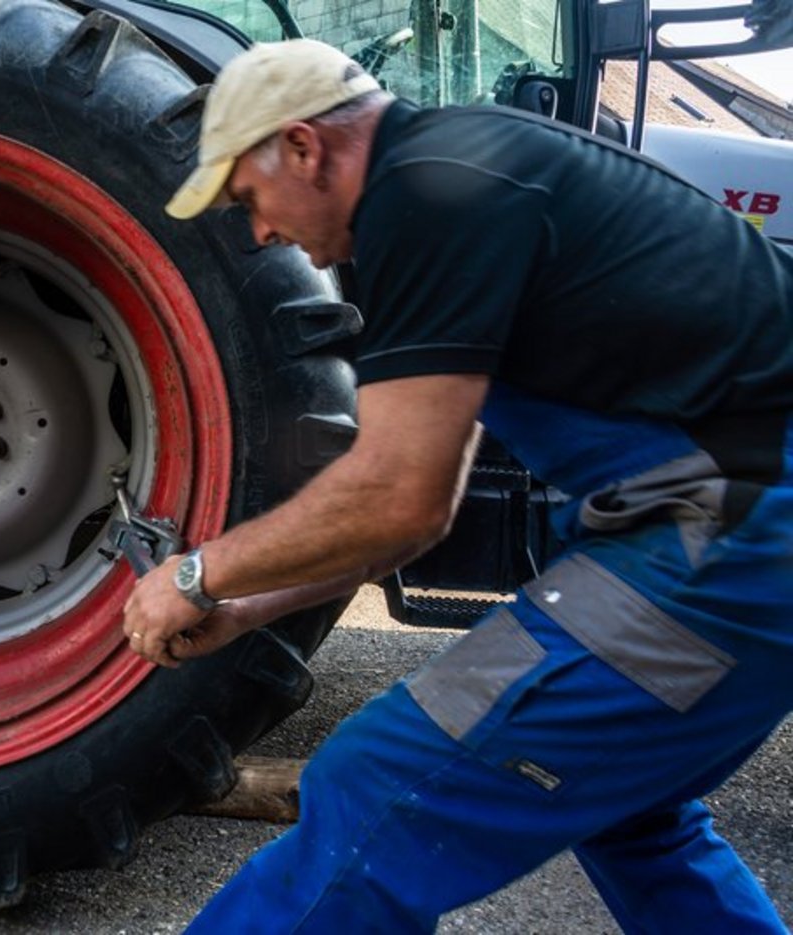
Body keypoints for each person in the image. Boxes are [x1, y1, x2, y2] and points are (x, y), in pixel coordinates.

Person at [121, 38, 793, 932]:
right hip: (736, 538)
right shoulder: (464, 169)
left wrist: (197, 574)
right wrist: (248, 607)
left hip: (732, 540)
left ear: (303, 147)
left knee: (379, 783)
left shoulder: (430, 193)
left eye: (248, 198)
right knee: (627, 810)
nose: (261, 232)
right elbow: (419, 513)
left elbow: (393, 494)